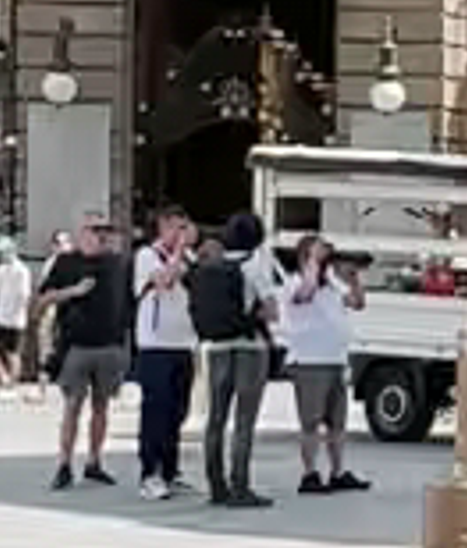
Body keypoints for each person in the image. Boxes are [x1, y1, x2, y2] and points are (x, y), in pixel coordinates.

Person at [189, 201, 278, 507]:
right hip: (249, 347)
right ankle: (240, 486)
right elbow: (272, 311)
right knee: (243, 420)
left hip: (216, 347)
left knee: (215, 418)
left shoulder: (211, 265)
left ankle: (216, 484)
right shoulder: (254, 267)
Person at [38, 215, 128, 485]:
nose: (102, 236)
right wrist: (72, 291)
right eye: (96, 230)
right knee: (73, 405)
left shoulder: (117, 263)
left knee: (102, 407)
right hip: (76, 345)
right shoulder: (67, 262)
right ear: (82, 233)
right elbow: (42, 299)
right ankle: (64, 463)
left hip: (109, 344)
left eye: (106, 231)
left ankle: (94, 461)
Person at [274, 235, 363, 493]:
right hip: (309, 361)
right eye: (318, 255)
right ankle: (309, 473)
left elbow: (357, 303)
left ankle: (338, 471)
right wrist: (312, 262)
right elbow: (306, 293)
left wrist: (354, 278)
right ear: (305, 258)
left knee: (337, 422)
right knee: (311, 421)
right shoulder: (295, 284)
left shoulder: (332, 285)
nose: (325, 261)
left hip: (335, 359)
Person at [128, 206, 201, 494]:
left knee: (178, 410)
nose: (180, 233)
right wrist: (179, 250)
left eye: (184, 227)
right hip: (155, 344)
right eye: (175, 227)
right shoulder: (147, 256)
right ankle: (150, 472)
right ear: (162, 227)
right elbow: (164, 280)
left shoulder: (189, 259)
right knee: (156, 409)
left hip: (184, 342)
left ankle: (171, 469)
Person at [0, 219, 36, 391]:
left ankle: (11, 385)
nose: (2, 255)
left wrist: (24, 314)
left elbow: (25, 295)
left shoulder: (22, 271)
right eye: (1, 253)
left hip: (15, 318)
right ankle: (3, 376)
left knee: (13, 353)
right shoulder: (0, 270)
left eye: (5, 252)